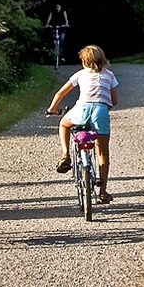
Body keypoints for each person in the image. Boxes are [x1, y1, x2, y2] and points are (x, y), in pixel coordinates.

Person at [46, 45, 118, 203]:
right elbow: (114, 101)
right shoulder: (110, 75)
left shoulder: (80, 74)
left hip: (81, 109)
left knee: (64, 124)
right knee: (103, 153)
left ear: (84, 62)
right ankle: (103, 192)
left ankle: (65, 155)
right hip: (100, 112)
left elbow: (60, 93)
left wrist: (52, 109)